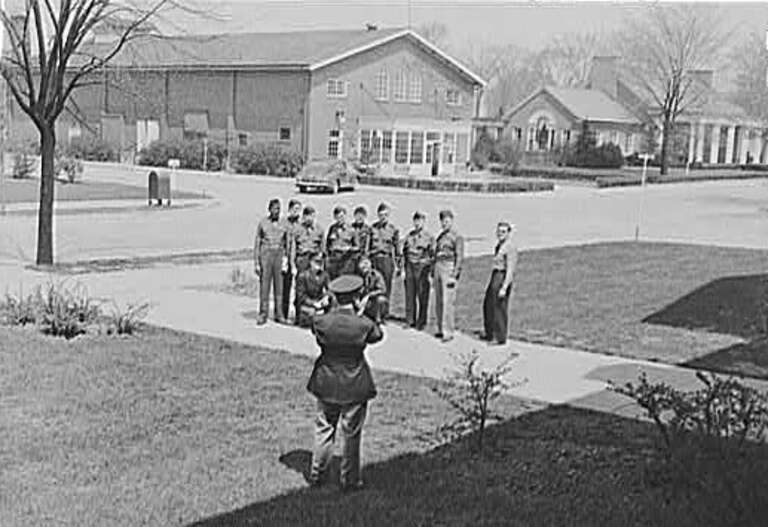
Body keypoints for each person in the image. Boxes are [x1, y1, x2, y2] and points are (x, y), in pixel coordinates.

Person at [307, 274, 384, 492]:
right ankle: (350, 480)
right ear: (357, 296)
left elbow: (315, 325)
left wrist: (322, 309)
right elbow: (378, 335)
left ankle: (317, 474)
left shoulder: (322, 322)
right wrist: (366, 312)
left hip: (327, 380)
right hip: (354, 382)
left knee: (324, 429)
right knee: (351, 434)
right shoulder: (363, 324)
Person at [253, 198, 289, 325]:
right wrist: (256, 263)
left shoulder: (285, 223)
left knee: (279, 286)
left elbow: (288, 243)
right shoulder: (263, 223)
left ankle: (279, 314)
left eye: (279, 209)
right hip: (266, 254)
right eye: (274, 208)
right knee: (265, 286)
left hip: (279, 253)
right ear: (269, 209)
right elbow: (257, 243)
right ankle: (263, 313)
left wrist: (287, 259)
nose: (277, 211)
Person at [482, 222, 518, 345]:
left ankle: (500, 337)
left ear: (508, 233)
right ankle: (490, 333)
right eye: (499, 231)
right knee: (488, 305)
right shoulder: (499, 245)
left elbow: (510, 269)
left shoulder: (510, 247)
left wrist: (504, 287)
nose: (500, 234)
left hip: (502, 276)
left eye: (503, 232)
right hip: (495, 274)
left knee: (499, 308)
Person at [433, 209, 464, 342]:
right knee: (439, 300)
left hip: (449, 267)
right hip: (438, 267)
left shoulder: (457, 237)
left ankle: (448, 331)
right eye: (442, 221)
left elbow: (460, 256)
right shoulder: (440, 236)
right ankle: (440, 328)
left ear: (451, 221)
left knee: (448, 301)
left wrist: (454, 274)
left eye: (447, 221)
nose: (444, 224)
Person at [402, 211, 435, 330]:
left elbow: (433, 255)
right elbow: (404, 252)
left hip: (422, 267)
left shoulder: (429, 237)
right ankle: (410, 320)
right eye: (415, 221)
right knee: (410, 294)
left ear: (424, 222)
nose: (417, 223)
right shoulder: (409, 236)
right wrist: (403, 268)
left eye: (420, 221)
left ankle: (421, 321)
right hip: (410, 266)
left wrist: (430, 269)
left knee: (422, 295)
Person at [370, 202, 401, 320]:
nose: (383, 217)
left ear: (389, 216)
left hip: (387, 260)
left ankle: (384, 314)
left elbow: (397, 250)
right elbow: (368, 247)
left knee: (386, 287)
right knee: (374, 287)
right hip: (374, 259)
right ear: (378, 215)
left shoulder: (393, 230)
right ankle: (374, 313)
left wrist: (399, 266)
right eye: (381, 215)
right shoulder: (372, 228)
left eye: (385, 215)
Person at [294, 252, 332, 328]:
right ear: (311, 262)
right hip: (307, 304)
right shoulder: (303, 276)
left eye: (320, 262)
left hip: (319, 303)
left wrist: (326, 297)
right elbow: (301, 296)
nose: (318, 264)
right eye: (316, 262)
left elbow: (330, 289)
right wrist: (313, 303)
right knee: (309, 317)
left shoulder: (324, 275)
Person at [282, 198, 303, 321]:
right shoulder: (283, 223)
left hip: (297, 259)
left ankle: (298, 315)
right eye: (294, 209)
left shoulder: (301, 225)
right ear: (289, 210)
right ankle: (282, 314)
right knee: (285, 287)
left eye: (298, 210)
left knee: (299, 288)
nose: (296, 212)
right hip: (285, 259)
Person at [291, 205, 325, 276]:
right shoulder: (297, 229)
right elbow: (293, 249)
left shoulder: (319, 229)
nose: (310, 219)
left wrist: (321, 264)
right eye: (307, 216)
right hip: (302, 259)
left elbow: (323, 248)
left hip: (314, 259)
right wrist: (292, 265)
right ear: (303, 217)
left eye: (312, 216)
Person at [325, 206, 358, 280]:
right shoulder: (332, 228)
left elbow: (357, 247)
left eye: (341, 216)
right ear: (334, 217)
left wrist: (348, 249)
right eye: (337, 217)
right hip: (334, 262)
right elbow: (327, 245)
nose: (340, 219)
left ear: (345, 216)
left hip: (346, 262)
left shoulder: (351, 230)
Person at [357, 255, 388, 324]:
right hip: (361, 299)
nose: (364, 268)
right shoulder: (358, 275)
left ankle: (378, 318)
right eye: (362, 265)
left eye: (366, 264)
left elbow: (383, 289)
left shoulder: (376, 275)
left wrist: (368, 296)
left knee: (381, 299)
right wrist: (357, 300)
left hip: (372, 299)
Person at [350, 205, 372, 270]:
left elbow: (370, 243)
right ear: (354, 216)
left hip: (364, 257)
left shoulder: (368, 229)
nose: (359, 218)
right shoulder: (350, 227)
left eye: (361, 216)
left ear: (365, 217)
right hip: (352, 257)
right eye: (357, 216)